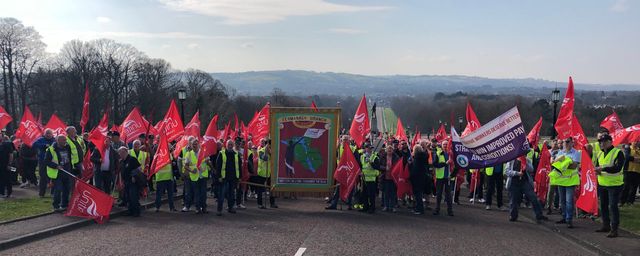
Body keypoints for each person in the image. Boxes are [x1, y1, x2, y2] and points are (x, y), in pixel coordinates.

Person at [594, 134, 625, 238]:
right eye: (600, 141)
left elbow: (618, 168)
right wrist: (597, 171)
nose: (601, 143)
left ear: (610, 142)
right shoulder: (599, 154)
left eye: (604, 141)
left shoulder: (618, 152)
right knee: (603, 206)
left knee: (612, 206)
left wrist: (602, 169)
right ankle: (606, 225)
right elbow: (598, 166)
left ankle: (614, 229)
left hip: (614, 185)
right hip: (602, 184)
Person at [505, 157, 548, 223]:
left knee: (533, 198)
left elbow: (531, 169)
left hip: (525, 182)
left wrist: (525, 163)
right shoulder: (511, 160)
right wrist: (517, 173)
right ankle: (513, 215)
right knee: (514, 200)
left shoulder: (527, 160)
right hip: (514, 183)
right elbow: (507, 171)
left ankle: (539, 215)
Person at [551, 137, 581, 228]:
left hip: (570, 181)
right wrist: (566, 162)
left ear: (572, 143)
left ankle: (569, 219)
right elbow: (555, 164)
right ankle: (564, 217)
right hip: (561, 180)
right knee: (562, 200)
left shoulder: (576, 153)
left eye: (567, 142)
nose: (565, 143)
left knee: (569, 201)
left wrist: (562, 163)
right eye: (564, 142)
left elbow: (573, 166)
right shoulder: (560, 152)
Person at [45, 135, 73, 211]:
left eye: (65, 140)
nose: (65, 141)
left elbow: (70, 158)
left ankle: (65, 205)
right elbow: (46, 161)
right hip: (57, 173)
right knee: (58, 189)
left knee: (67, 189)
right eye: (63, 140)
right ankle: (56, 206)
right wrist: (56, 166)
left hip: (66, 171)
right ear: (58, 141)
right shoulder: (51, 150)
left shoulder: (67, 147)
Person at [216, 139, 242, 216]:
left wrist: (240, 177)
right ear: (226, 145)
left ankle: (230, 207)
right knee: (221, 194)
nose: (230, 146)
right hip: (224, 178)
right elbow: (218, 166)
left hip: (233, 178)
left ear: (233, 145)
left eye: (231, 144)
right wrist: (219, 176)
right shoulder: (221, 153)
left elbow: (239, 166)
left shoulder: (236, 154)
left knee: (231, 194)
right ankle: (219, 210)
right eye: (229, 144)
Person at [184, 139, 209, 214]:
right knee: (196, 193)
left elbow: (208, 162)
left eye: (196, 144)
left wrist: (209, 164)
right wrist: (191, 170)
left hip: (203, 176)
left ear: (198, 144)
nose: (195, 145)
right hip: (194, 177)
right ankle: (198, 208)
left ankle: (204, 208)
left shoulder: (203, 152)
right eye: (193, 144)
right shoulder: (188, 154)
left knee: (203, 193)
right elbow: (185, 166)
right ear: (191, 145)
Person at [118, 146, 142, 217]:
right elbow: (120, 172)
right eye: (119, 153)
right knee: (128, 197)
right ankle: (130, 211)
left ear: (125, 152)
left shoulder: (132, 159)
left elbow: (139, 168)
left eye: (121, 153)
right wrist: (121, 181)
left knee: (133, 197)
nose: (120, 154)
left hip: (133, 181)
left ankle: (136, 212)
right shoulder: (121, 161)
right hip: (126, 181)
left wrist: (134, 176)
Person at [433, 140, 454, 216]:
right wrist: (445, 164)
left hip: (448, 177)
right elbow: (435, 164)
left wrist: (452, 175)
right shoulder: (438, 153)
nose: (445, 145)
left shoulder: (450, 154)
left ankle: (450, 211)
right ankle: (437, 209)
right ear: (441, 145)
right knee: (439, 194)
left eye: (446, 144)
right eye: (444, 144)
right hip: (440, 177)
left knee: (448, 195)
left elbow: (454, 166)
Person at [33, 129, 56, 197]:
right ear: (44, 134)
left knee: (53, 177)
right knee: (43, 177)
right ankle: (41, 193)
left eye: (49, 133)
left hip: (52, 161)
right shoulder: (41, 139)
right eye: (47, 133)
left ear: (52, 134)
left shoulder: (54, 140)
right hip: (42, 161)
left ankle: (53, 193)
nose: (48, 135)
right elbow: (34, 144)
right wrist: (44, 145)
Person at [256, 138, 277, 209]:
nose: (270, 147)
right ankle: (260, 204)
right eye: (269, 146)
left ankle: (272, 203)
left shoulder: (271, 152)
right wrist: (266, 151)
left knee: (272, 188)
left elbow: (274, 159)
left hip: (269, 173)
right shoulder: (260, 151)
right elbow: (264, 158)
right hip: (261, 173)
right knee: (260, 190)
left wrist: (270, 152)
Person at [359, 144, 380, 214]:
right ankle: (365, 207)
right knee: (364, 194)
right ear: (365, 149)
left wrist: (371, 162)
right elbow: (361, 166)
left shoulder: (375, 157)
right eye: (368, 148)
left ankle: (372, 208)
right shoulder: (362, 157)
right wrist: (360, 172)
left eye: (371, 148)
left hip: (371, 179)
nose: (369, 149)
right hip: (364, 178)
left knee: (371, 195)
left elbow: (377, 167)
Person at [379, 145, 398, 212]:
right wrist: (385, 168)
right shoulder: (383, 157)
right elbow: (379, 165)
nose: (389, 151)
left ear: (393, 150)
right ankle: (386, 206)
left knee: (393, 193)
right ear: (386, 150)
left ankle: (392, 207)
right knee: (386, 193)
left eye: (391, 149)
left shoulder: (396, 157)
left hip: (393, 178)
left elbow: (398, 166)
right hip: (385, 177)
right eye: (388, 149)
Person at [410, 144, 428, 215]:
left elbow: (415, 169)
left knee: (418, 195)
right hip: (422, 177)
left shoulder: (417, 158)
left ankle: (419, 209)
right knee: (419, 194)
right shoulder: (424, 156)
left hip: (417, 178)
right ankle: (419, 208)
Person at [621, 141, 640, 206]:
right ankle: (622, 201)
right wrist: (635, 159)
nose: (636, 142)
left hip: (637, 171)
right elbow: (627, 157)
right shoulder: (628, 148)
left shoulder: (639, 149)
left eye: (637, 141)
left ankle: (630, 201)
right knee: (626, 187)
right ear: (631, 142)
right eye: (635, 141)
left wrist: (636, 160)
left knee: (634, 188)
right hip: (628, 170)